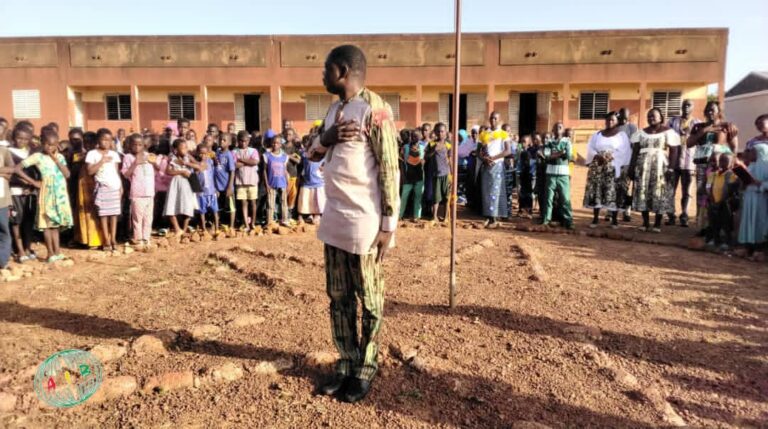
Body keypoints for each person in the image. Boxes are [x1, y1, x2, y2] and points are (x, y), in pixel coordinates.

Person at [307, 44, 399, 403]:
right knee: (339, 296)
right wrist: (325, 137)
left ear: (343, 70)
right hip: (334, 218)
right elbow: (311, 154)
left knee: (370, 300)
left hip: (365, 222)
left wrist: (389, 224)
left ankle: (365, 367)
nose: (322, 75)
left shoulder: (376, 109)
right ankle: (346, 363)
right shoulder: (333, 110)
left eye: (326, 69)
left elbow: (389, 168)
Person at [15, 130, 72, 262]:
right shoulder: (38, 156)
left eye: (52, 145)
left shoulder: (60, 157)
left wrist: (55, 158)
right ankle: (50, 253)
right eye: (47, 144)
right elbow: (17, 169)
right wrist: (33, 182)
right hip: (47, 193)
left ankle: (57, 252)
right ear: (42, 143)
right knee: (47, 224)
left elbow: (67, 174)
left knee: (55, 225)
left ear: (57, 144)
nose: (49, 147)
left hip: (60, 194)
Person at [688, 101, 739, 236]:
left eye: (713, 110)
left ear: (719, 112)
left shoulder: (726, 126)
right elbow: (689, 143)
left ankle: (717, 226)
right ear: (704, 112)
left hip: (718, 166)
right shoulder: (698, 127)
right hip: (702, 164)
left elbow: (734, 147)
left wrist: (731, 163)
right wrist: (705, 130)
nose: (710, 112)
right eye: (708, 110)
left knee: (717, 193)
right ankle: (702, 226)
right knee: (702, 192)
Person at [629, 108, 681, 233]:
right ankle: (645, 222)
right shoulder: (641, 133)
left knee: (660, 193)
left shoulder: (668, 132)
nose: (651, 118)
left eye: (654, 116)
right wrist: (632, 167)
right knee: (643, 192)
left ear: (661, 117)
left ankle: (657, 223)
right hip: (643, 168)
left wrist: (671, 168)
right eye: (649, 116)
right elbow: (635, 152)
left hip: (661, 167)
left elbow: (674, 151)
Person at [583, 112, 632, 228]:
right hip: (598, 166)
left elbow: (625, 150)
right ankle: (595, 219)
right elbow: (590, 147)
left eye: (613, 120)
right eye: (608, 120)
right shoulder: (598, 134)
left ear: (617, 122)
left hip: (614, 166)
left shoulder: (621, 135)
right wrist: (597, 155)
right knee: (597, 190)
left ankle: (614, 220)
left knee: (613, 192)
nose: (610, 122)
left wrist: (612, 156)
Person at [86, 128, 122, 253]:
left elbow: (116, 172)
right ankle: (106, 239)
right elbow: (90, 171)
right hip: (102, 186)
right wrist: (101, 161)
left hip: (114, 186)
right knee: (103, 214)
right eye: (104, 139)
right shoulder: (92, 154)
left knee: (114, 214)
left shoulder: (114, 154)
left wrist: (121, 186)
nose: (106, 142)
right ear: (98, 140)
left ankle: (113, 238)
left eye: (109, 140)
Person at [665, 99, 699, 227]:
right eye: (684, 105)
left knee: (687, 192)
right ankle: (671, 216)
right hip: (673, 162)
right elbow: (665, 136)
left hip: (689, 163)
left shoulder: (697, 123)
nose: (686, 107)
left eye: (689, 105)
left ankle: (684, 216)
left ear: (693, 107)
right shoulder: (672, 121)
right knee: (670, 190)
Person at [121, 134, 159, 247]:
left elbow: (158, 169)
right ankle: (138, 239)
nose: (137, 147)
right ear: (130, 145)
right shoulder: (128, 157)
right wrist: (135, 163)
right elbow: (126, 174)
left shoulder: (148, 155)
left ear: (144, 145)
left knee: (148, 217)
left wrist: (154, 163)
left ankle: (146, 238)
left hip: (149, 192)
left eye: (140, 145)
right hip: (137, 193)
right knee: (137, 218)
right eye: (135, 145)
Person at [8, 124, 39, 262]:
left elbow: (37, 172)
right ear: (14, 137)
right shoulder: (8, 152)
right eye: (19, 138)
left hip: (30, 192)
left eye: (26, 139)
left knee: (29, 221)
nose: (22, 141)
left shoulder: (32, 153)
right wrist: (26, 182)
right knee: (16, 221)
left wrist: (32, 186)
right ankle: (19, 249)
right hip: (14, 191)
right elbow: (10, 172)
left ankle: (27, 247)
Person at [164, 139, 203, 240]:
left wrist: (186, 163)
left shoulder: (188, 157)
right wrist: (181, 172)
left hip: (187, 184)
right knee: (171, 206)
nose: (185, 150)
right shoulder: (172, 158)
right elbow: (168, 171)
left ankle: (184, 230)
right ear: (176, 150)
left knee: (188, 207)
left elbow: (199, 167)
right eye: (183, 148)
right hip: (176, 184)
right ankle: (177, 229)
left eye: (186, 147)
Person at [479, 112, 511, 228]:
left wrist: (493, 158)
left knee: (496, 192)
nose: (493, 120)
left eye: (495, 118)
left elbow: (507, 151)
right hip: (486, 166)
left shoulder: (503, 134)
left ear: (499, 120)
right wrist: (484, 159)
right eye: (492, 118)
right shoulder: (484, 134)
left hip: (497, 166)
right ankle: (488, 216)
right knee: (486, 191)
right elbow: (479, 151)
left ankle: (494, 218)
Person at [737, 144, 768, 261]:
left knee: (758, 222)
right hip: (748, 197)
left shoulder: (766, 166)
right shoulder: (750, 166)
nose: (750, 154)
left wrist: (760, 183)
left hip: (760, 198)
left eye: (753, 152)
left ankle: (759, 249)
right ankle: (747, 247)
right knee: (748, 221)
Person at [540, 122, 574, 229]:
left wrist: (554, 155)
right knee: (548, 198)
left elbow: (569, 156)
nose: (558, 129)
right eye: (556, 127)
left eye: (560, 127)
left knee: (565, 198)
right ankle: (546, 220)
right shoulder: (549, 142)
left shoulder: (567, 141)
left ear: (563, 130)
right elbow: (547, 156)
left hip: (563, 175)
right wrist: (560, 153)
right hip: (551, 174)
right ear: (553, 130)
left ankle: (568, 221)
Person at [706, 153, 738, 250]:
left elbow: (729, 191)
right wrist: (712, 199)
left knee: (726, 222)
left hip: (725, 203)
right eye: (721, 160)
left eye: (725, 161)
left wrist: (720, 201)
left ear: (731, 163)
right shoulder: (713, 174)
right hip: (713, 202)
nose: (722, 163)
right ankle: (715, 239)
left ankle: (727, 241)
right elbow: (708, 187)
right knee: (713, 222)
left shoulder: (732, 175)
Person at [425, 122, 452, 222]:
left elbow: (450, 160)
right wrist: (433, 150)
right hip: (435, 174)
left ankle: (445, 217)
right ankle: (434, 216)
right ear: (435, 132)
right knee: (436, 197)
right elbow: (426, 157)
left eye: (442, 131)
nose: (440, 133)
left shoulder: (448, 144)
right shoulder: (431, 144)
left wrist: (452, 175)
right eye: (438, 131)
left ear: (445, 132)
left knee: (446, 196)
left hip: (446, 174)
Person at [233, 131, 260, 230]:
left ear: (249, 141)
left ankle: (253, 223)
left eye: (245, 141)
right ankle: (246, 224)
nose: (243, 143)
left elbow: (255, 162)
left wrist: (241, 160)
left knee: (253, 202)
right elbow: (234, 165)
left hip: (252, 181)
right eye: (241, 141)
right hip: (240, 182)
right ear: (238, 141)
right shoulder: (234, 151)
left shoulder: (253, 151)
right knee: (243, 203)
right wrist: (248, 161)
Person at [264, 135, 290, 226]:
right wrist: (266, 184)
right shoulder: (267, 156)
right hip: (271, 183)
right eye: (273, 143)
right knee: (270, 203)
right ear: (271, 143)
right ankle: (270, 222)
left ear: (281, 144)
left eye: (277, 143)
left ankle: (285, 220)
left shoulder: (284, 156)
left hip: (283, 183)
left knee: (284, 202)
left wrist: (288, 183)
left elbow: (285, 170)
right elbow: (264, 170)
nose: (275, 144)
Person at [400, 129, 425, 220]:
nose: (415, 138)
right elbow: (402, 161)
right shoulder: (405, 147)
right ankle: (399, 215)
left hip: (419, 175)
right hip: (408, 176)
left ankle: (416, 216)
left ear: (420, 137)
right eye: (413, 136)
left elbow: (424, 160)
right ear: (411, 137)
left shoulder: (423, 147)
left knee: (418, 197)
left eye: (417, 136)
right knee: (404, 197)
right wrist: (403, 175)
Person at [215, 131, 237, 231]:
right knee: (218, 207)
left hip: (226, 186)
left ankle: (231, 226)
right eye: (220, 139)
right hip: (218, 186)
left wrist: (230, 187)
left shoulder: (229, 155)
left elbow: (232, 171)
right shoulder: (217, 152)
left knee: (231, 207)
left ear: (229, 143)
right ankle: (218, 225)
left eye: (224, 140)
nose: (221, 141)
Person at [195, 144, 219, 236]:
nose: (203, 156)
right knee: (202, 212)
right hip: (201, 193)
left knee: (215, 211)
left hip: (211, 191)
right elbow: (194, 177)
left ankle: (217, 229)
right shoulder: (196, 164)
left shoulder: (210, 162)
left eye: (205, 154)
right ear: (197, 153)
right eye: (200, 153)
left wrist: (215, 189)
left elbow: (214, 174)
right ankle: (204, 229)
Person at [297, 148, 325, 224]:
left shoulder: (322, 155)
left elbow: (327, 164)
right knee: (305, 200)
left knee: (317, 200)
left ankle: (317, 215)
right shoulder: (304, 155)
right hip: (306, 181)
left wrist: (323, 168)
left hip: (318, 182)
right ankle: (307, 215)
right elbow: (301, 164)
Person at [0, 138, 13, 268]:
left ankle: (2, 260)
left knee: (3, 230)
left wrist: (5, 172)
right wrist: (3, 172)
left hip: (2, 200)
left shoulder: (3, 151)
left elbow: (12, 170)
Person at [516, 135, 535, 217]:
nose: (523, 143)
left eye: (525, 142)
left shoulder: (531, 151)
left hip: (529, 175)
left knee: (529, 193)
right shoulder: (519, 151)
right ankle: (521, 209)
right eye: (522, 141)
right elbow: (517, 162)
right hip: (521, 174)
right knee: (521, 192)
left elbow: (533, 163)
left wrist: (533, 174)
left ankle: (529, 210)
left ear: (529, 142)